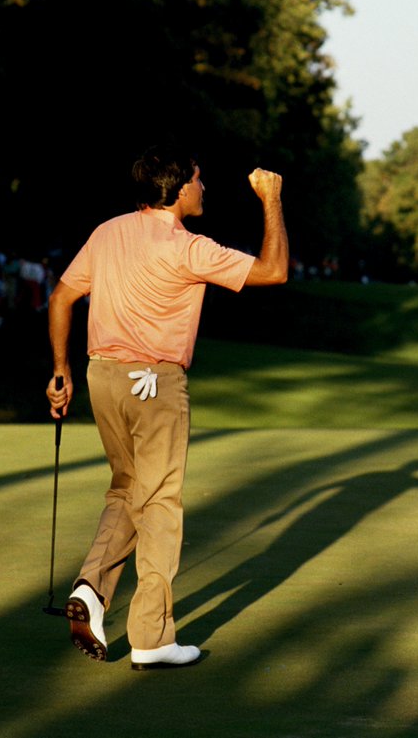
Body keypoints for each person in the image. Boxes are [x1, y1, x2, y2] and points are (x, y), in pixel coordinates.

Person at [46, 145, 288, 670]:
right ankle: (152, 638)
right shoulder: (189, 247)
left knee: (127, 489)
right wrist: (270, 200)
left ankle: (90, 587)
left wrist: (60, 371)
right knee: (159, 505)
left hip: (101, 375)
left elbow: (62, 297)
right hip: (155, 384)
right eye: (199, 181)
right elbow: (274, 271)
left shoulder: (107, 232)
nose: (204, 188)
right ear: (179, 190)